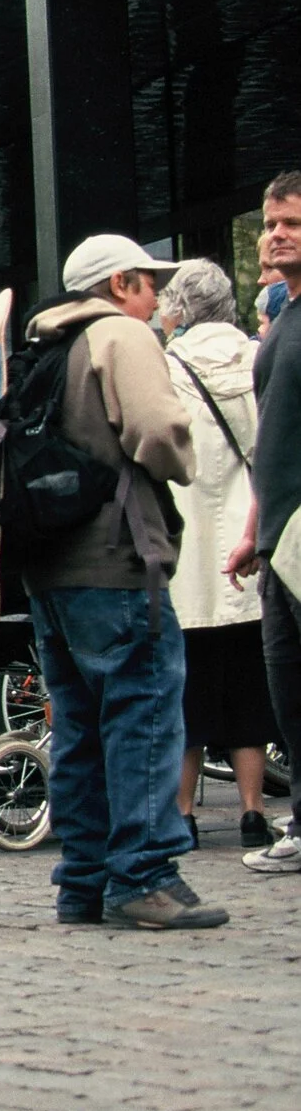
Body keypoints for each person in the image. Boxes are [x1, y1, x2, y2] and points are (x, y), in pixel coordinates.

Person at [15, 234, 215, 928]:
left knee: (79, 721)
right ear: (122, 282)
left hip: (52, 568)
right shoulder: (120, 337)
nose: (157, 299)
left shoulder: (47, 344)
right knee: (143, 709)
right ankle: (144, 873)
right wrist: (182, 465)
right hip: (117, 556)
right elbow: (158, 428)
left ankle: (85, 877)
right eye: (150, 284)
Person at [154, 260, 275, 849]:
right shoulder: (258, 359)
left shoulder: (167, 369)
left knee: (188, 689)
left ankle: (184, 813)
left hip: (189, 557)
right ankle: (253, 810)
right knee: (251, 682)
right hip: (251, 550)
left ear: (180, 308)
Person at [230, 174, 301, 876]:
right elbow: (270, 441)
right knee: (287, 690)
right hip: (281, 540)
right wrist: (254, 527)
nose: (276, 234)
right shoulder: (280, 323)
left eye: (291, 223)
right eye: (270, 223)